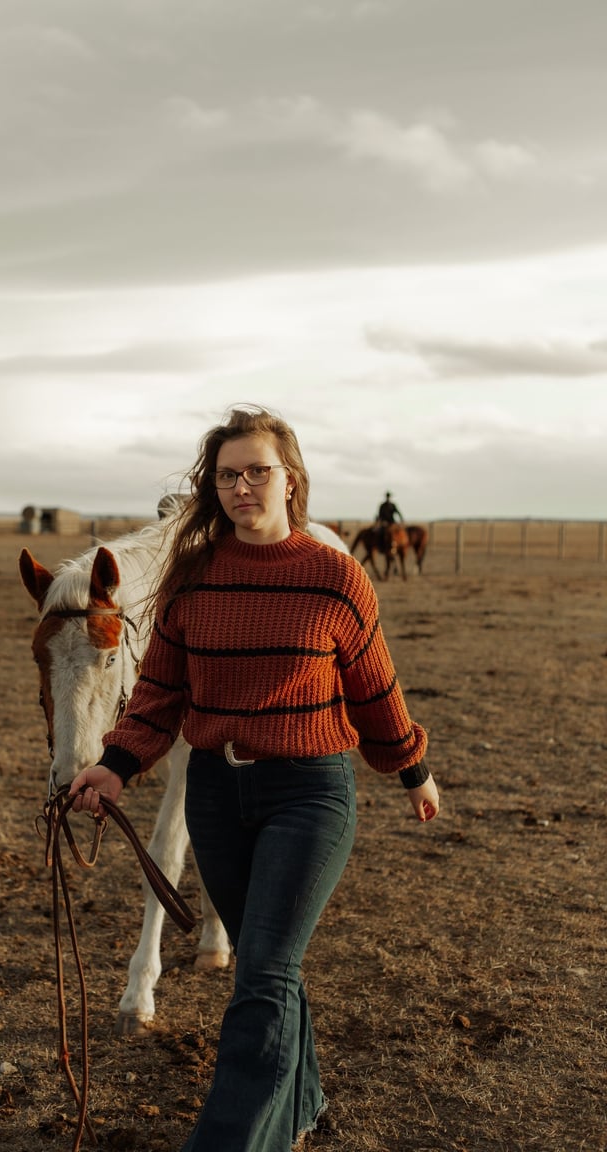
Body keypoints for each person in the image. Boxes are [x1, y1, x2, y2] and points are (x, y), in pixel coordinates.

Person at [70, 405, 440, 1152]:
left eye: (258, 472)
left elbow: (375, 691)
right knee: (273, 969)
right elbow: (159, 695)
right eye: (229, 475)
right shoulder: (194, 579)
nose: (243, 486)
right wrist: (114, 765)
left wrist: (412, 769)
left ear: (290, 478)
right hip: (215, 792)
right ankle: (298, 1105)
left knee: (262, 974)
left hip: (309, 791)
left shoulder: (336, 576)